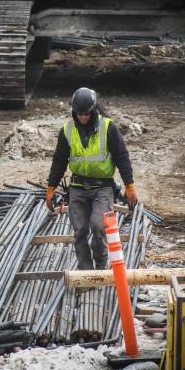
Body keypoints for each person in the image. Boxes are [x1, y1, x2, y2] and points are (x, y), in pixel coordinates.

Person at [46, 87, 138, 270]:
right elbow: (59, 161)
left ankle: (101, 264)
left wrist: (129, 186)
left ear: (94, 110)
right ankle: (85, 273)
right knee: (79, 229)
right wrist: (50, 188)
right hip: (77, 187)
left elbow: (122, 157)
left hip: (103, 188)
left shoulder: (108, 127)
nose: (83, 117)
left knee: (98, 226)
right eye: (79, 114)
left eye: (86, 114)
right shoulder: (67, 130)